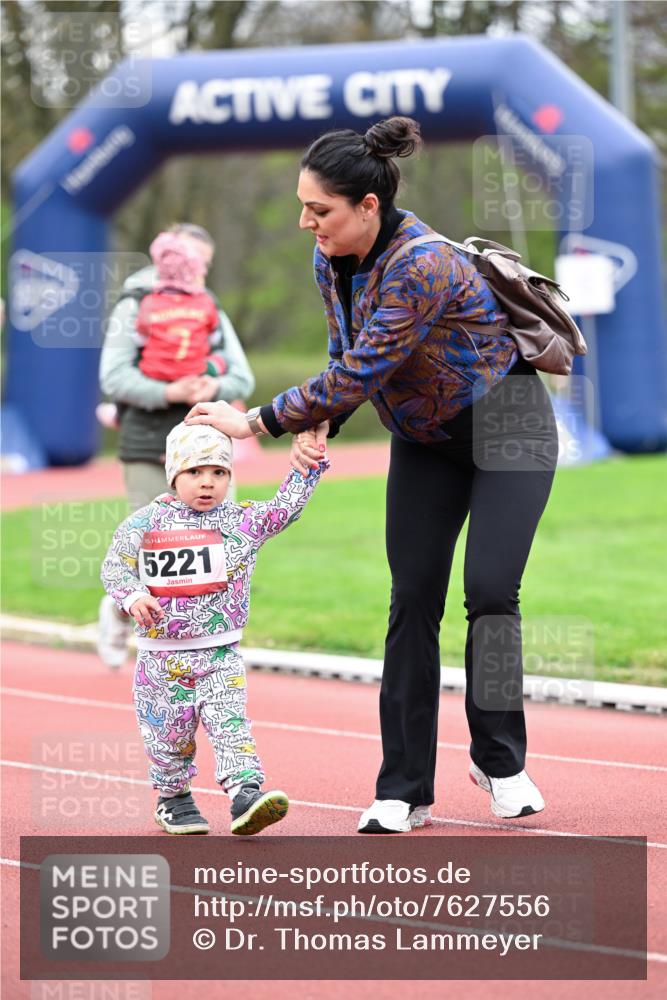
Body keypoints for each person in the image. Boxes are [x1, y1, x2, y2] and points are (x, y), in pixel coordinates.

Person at [184, 116, 558, 833]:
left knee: (489, 592)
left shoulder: (422, 263)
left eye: (318, 209)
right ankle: (404, 788)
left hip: (507, 428)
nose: (304, 222)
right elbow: (344, 354)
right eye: (302, 206)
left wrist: (259, 420)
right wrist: (325, 418)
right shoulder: (330, 259)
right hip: (423, 436)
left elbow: (365, 365)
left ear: (367, 207)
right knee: (411, 599)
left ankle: (501, 760)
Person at [100, 420, 328, 835]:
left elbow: (284, 509)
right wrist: (133, 596)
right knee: (168, 737)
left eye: (219, 473)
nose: (207, 483)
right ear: (174, 474)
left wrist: (307, 466)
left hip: (220, 655)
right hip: (160, 660)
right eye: (195, 472)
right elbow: (114, 567)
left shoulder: (242, 521)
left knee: (230, 724)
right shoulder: (144, 524)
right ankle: (173, 799)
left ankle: (245, 791)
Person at [97, 222, 255, 669]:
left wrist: (210, 383)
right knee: (153, 550)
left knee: (219, 547)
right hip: (149, 442)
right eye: (191, 261)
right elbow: (113, 376)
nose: (197, 271)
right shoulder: (136, 304)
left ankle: (211, 648)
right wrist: (170, 392)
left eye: (205, 264)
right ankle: (118, 608)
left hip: (206, 445)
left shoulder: (208, 307)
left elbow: (242, 376)